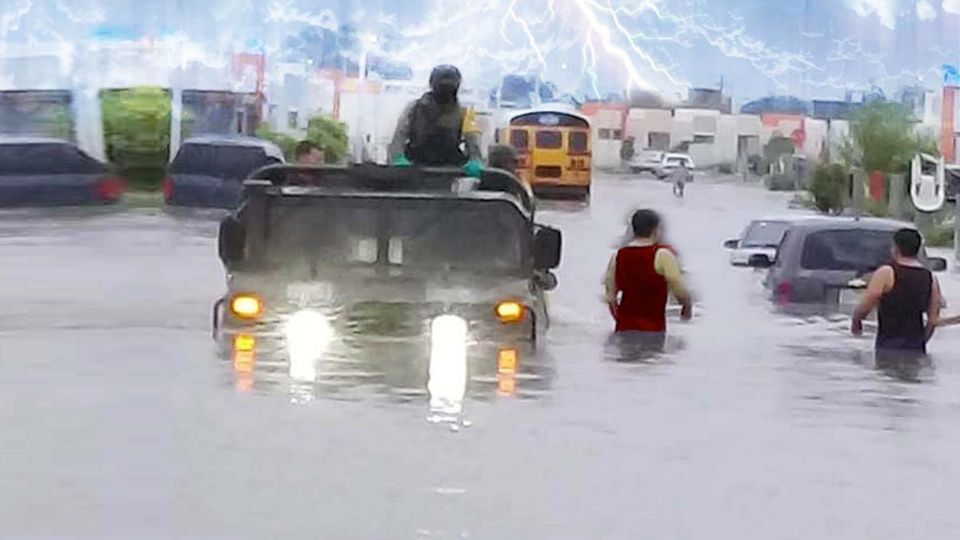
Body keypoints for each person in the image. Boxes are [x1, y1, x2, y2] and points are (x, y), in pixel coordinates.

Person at [604, 209, 693, 352]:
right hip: (654, 330)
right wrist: (687, 307)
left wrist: (620, 319)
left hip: (623, 330)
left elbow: (611, 297)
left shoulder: (618, 256)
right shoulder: (662, 255)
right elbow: (679, 288)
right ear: (656, 230)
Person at [851, 228, 942, 363]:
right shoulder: (930, 278)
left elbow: (869, 300)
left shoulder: (886, 272)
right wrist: (921, 341)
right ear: (917, 250)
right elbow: (933, 320)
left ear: (896, 248)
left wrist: (856, 321)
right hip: (915, 349)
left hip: (887, 346)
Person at [388, 65, 482, 174]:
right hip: (415, 164)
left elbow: (472, 139)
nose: (446, 86)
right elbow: (400, 135)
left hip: (450, 166)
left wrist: (475, 160)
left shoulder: (465, 112)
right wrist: (398, 158)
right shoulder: (414, 108)